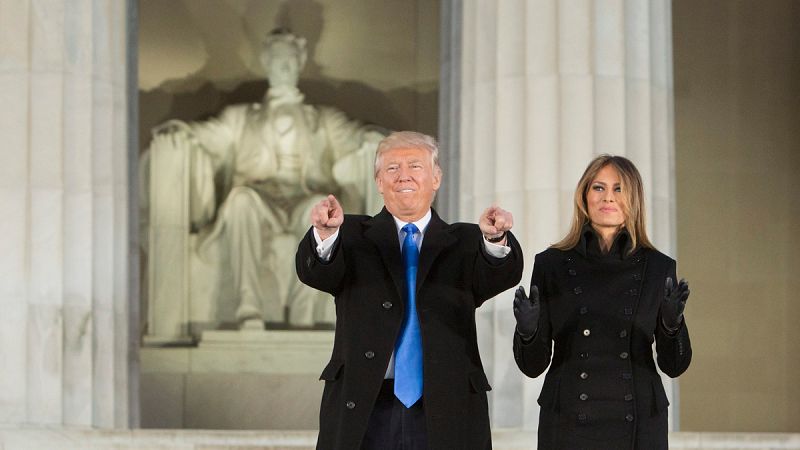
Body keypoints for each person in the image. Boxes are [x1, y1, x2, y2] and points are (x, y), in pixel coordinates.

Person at [296, 131, 524, 449]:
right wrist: (324, 234)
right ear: (378, 181)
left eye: (415, 165)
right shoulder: (351, 236)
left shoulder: (467, 241)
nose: (404, 175)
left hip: (445, 405)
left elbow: (499, 276)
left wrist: (497, 241)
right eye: (392, 168)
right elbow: (317, 273)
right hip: (367, 404)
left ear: (436, 177)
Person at [143, 28, 384, 329]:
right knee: (239, 200)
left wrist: (380, 140)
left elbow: (357, 136)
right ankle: (248, 307)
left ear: (300, 63)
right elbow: (206, 135)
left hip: (304, 196)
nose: (283, 67)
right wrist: (180, 131)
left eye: (290, 61)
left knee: (321, 209)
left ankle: (303, 311)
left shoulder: (322, 119)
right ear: (266, 63)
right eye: (277, 60)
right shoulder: (241, 117)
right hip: (258, 197)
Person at [512, 155, 691, 449]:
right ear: (584, 195)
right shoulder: (551, 264)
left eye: (619, 188)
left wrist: (672, 327)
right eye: (598, 187)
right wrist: (528, 333)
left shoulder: (658, 267)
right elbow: (533, 366)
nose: (608, 197)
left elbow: (674, 366)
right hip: (567, 419)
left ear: (634, 198)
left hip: (639, 423)